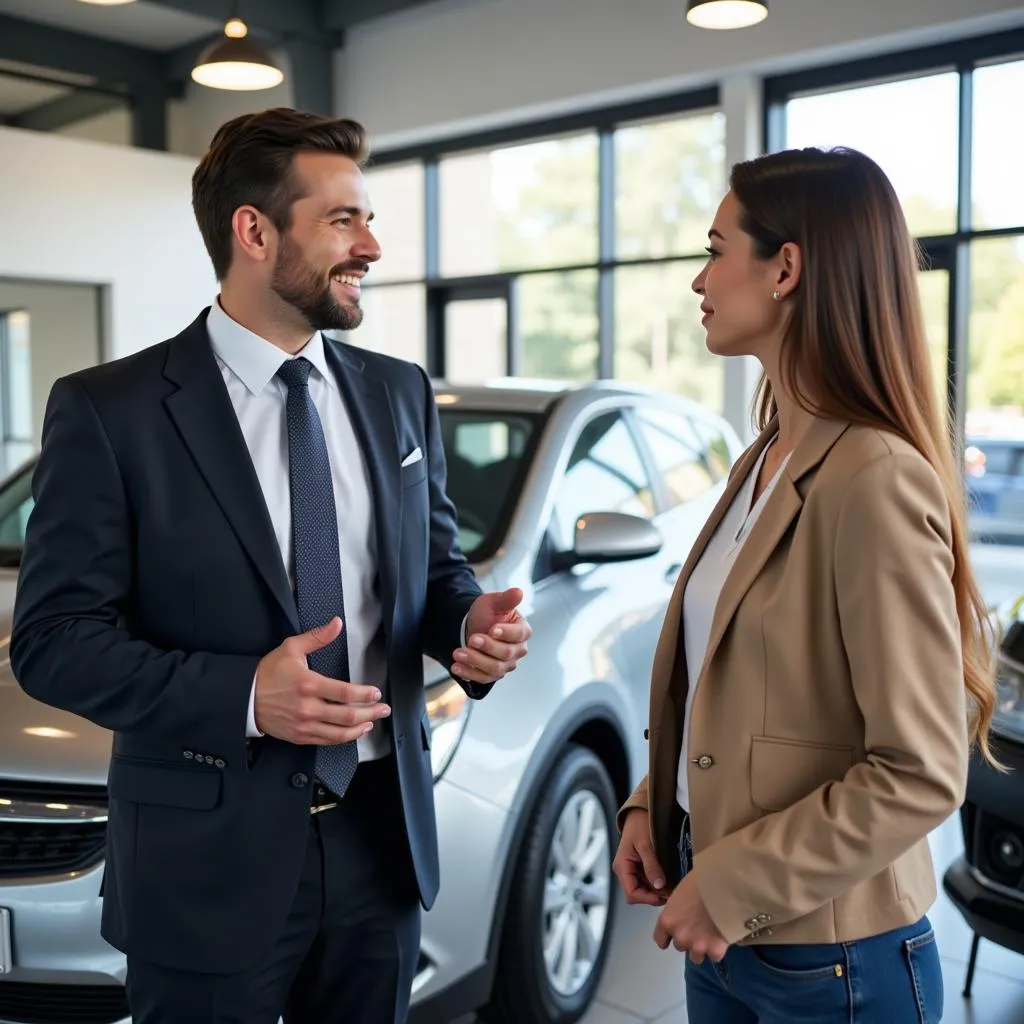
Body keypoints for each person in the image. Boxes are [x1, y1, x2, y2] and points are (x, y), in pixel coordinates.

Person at [10, 107, 531, 1024]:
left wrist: (464, 628)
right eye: (342, 220)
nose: (370, 245)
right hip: (202, 864)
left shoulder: (398, 392)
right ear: (253, 231)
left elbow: (436, 571)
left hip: (382, 844)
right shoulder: (112, 410)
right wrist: (246, 697)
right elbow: (53, 641)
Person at [611, 146, 998, 1023]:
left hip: (835, 963)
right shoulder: (768, 455)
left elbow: (919, 769)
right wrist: (652, 804)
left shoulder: (875, 476)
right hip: (728, 934)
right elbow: (725, 680)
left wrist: (733, 883)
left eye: (715, 249)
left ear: (786, 267)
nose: (699, 279)